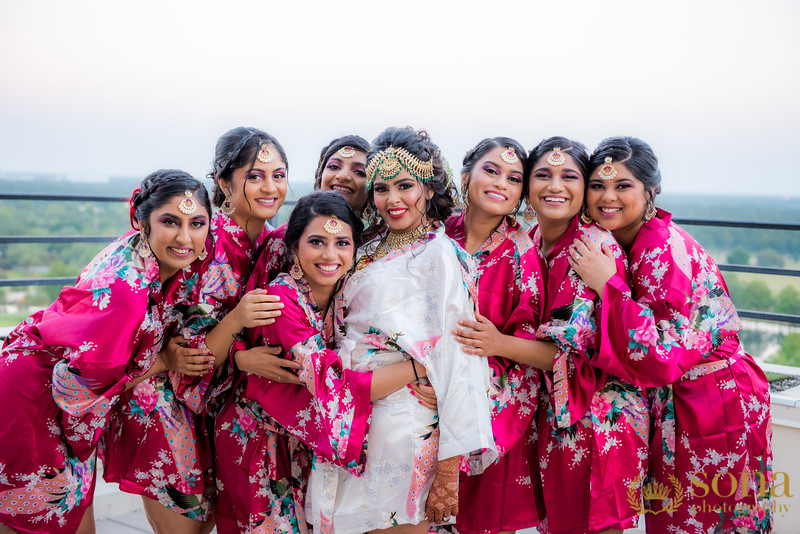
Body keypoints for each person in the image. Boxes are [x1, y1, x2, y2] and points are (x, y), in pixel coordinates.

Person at [569, 136, 773, 533]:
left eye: (622, 185)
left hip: (714, 399)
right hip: (682, 400)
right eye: (598, 185)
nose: (607, 197)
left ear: (650, 191)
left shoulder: (660, 249)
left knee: (706, 523)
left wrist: (609, 284)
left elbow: (659, 356)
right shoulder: (624, 242)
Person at [307, 127, 498, 534]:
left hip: (405, 423)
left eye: (405, 186)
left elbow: (459, 357)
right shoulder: (366, 245)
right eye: (381, 188)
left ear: (428, 189)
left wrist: (448, 470)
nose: (392, 200)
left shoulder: (442, 256)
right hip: (350, 415)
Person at [0, 170, 211, 534]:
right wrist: (164, 361)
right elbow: (76, 389)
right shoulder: (126, 294)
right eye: (170, 222)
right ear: (140, 220)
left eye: (197, 223)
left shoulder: (141, 254)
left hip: (37, 386)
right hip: (35, 404)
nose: (184, 236)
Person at [214, 191, 432, 533]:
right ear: (293, 248)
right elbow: (335, 385)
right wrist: (424, 366)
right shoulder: (279, 301)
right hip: (261, 443)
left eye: (342, 243)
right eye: (317, 242)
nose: (330, 255)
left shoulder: (348, 292)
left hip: (305, 442)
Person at [522, 137, 648, 534]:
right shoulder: (530, 239)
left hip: (596, 418)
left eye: (569, 176)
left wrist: (494, 343)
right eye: (543, 175)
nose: (555, 186)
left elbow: (569, 355)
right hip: (557, 412)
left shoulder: (590, 246)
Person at [443, 137, 548, 534]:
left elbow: (535, 351)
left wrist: (493, 349)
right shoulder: (435, 235)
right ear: (467, 173)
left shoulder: (524, 255)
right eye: (491, 170)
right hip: (423, 390)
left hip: (493, 409)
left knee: (481, 521)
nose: (500, 182)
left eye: (514, 178)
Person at [261, 135, 372, 280]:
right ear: (320, 176)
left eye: (359, 172)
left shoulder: (376, 244)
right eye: (333, 167)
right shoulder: (282, 238)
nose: (343, 176)